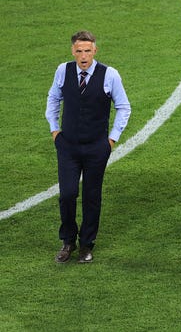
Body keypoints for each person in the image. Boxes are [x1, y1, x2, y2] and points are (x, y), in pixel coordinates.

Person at [46, 30, 131, 263]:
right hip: (68, 146)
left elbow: (124, 106)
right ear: (73, 51)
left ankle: (86, 245)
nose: (83, 56)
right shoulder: (63, 71)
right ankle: (67, 241)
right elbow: (53, 98)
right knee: (67, 195)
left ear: (95, 50)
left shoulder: (109, 75)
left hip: (96, 148)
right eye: (79, 51)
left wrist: (111, 140)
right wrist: (55, 130)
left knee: (92, 196)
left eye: (87, 51)